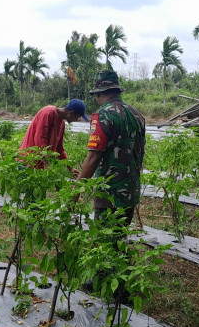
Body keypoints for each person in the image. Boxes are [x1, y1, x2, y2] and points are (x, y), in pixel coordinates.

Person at [77, 70, 146, 227]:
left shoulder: (103, 115)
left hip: (109, 194)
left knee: (106, 243)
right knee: (120, 239)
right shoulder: (137, 115)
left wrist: (77, 189)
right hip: (131, 192)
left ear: (99, 93)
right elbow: (141, 152)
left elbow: (93, 157)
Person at [19, 99, 88, 167]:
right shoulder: (48, 112)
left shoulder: (62, 124)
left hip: (40, 165)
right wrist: (46, 163)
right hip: (27, 160)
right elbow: (39, 138)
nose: (76, 120)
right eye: (77, 117)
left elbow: (59, 148)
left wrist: (70, 168)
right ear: (71, 113)